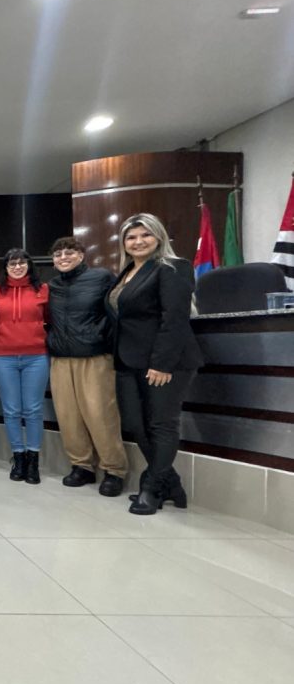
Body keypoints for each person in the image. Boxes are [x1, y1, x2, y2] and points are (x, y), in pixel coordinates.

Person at [107, 213, 203, 515]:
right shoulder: (126, 272)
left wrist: (162, 363)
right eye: (131, 237)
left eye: (145, 235)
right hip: (128, 360)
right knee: (135, 424)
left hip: (165, 361)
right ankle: (170, 483)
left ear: (159, 236)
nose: (138, 241)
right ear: (124, 243)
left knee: (161, 424)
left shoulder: (173, 267)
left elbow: (174, 318)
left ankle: (151, 488)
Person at [46, 236, 129, 496]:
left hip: (94, 357)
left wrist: (102, 337)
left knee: (100, 415)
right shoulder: (52, 285)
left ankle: (114, 470)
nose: (63, 258)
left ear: (81, 255)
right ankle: (82, 466)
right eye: (58, 254)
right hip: (60, 358)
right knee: (68, 416)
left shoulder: (101, 277)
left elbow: (119, 310)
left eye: (69, 252)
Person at [0, 249, 50, 485]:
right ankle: (19, 457)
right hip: (4, 357)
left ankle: (33, 460)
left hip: (36, 357)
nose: (17, 267)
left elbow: (50, 319)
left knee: (33, 410)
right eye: (12, 264)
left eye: (21, 263)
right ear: (5, 268)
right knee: (12, 410)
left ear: (29, 265)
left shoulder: (42, 290)